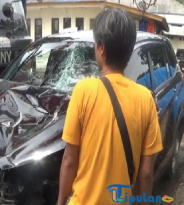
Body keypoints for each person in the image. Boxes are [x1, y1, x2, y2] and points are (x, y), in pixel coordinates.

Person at [57, 8, 163, 205]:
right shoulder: (146, 100)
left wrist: (61, 202)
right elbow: (146, 174)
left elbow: (69, 161)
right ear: (129, 51)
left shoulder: (83, 91)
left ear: (102, 49)